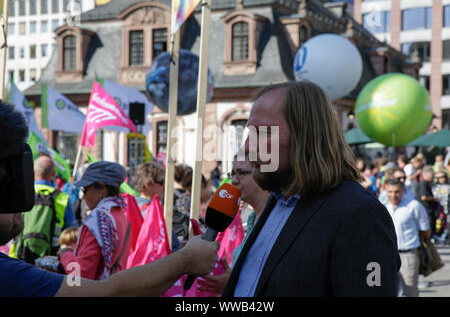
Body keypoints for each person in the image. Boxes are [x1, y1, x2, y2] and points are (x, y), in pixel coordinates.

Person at [0, 99, 219, 296]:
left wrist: (66, 256)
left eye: (86, 190)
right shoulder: (121, 214)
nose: (83, 197)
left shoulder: (96, 220)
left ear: (102, 188)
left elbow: (80, 277)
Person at [222, 81, 400, 297]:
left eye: (263, 132)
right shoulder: (276, 200)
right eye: (249, 133)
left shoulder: (359, 214)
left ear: (305, 135)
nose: (248, 147)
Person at [197, 157, 271, 295]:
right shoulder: (251, 219)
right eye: (232, 174)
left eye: (241, 173)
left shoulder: (274, 220)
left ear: (263, 174)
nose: (234, 181)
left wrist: (233, 282)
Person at [13, 156, 77, 263]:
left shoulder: (21, 194)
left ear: (33, 172)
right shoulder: (62, 198)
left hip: (20, 256)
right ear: (53, 174)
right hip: (50, 261)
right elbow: (71, 232)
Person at [382, 179, 430, 297]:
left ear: (403, 191)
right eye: (390, 192)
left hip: (407, 255)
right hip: (387, 255)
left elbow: (425, 230)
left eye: (397, 192)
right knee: (387, 290)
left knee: (410, 291)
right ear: (385, 191)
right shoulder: (382, 207)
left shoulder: (413, 206)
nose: (393, 195)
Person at [133, 161, 180, 250]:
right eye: (161, 182)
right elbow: (171, 246)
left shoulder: (131, 207)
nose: (164, 186)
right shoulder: (152, 212)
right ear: (148, 184)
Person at [417, 166, 440, 236]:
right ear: (426, 174)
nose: (433, 176)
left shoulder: (429, 183)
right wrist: (434, 199)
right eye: (432, 174)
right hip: (426, 208)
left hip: (430, 209)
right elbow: (423, 197)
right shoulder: (423, 183)